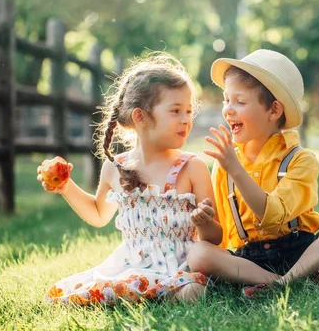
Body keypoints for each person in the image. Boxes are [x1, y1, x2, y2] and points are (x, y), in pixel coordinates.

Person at [39, 52, 222, 305]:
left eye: (189, 111)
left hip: (181, 267)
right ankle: (137, 293)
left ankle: (146, 294)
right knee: (66, 295)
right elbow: (98, 215)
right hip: (131, 266)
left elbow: (214, 238)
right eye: (176, 110)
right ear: (140, 117)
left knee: (192, 291)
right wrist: (66, 187)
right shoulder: (116, 168)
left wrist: (204, 222)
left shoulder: (192, 167)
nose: (186, 119)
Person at [187, 49, 319, 298]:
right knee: (198, 253)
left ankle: (285, 282)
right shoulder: (225, 164)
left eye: (240, 101)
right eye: (226, 99)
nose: (228, 110)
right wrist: (205, 222)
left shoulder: (301, 160)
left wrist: (236, 170)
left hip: (300, 252)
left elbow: (272, 216)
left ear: (274, 111)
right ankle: (289, 281)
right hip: (250, 261)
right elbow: (219, 238)